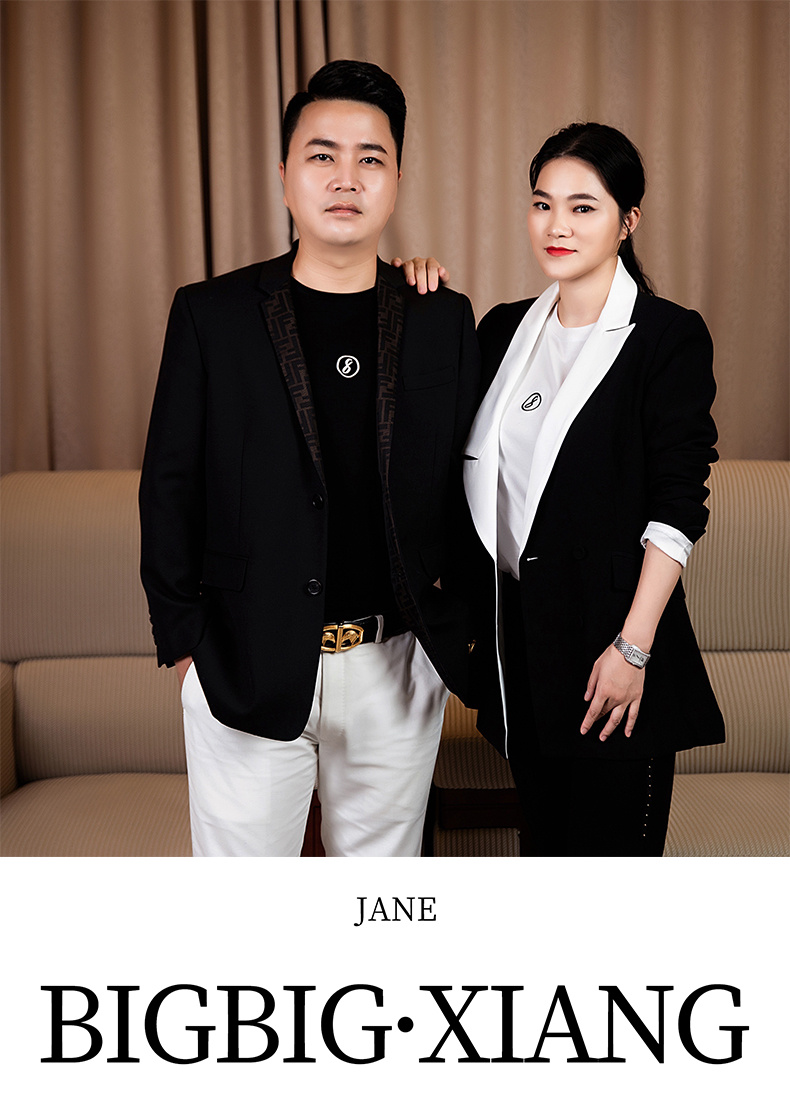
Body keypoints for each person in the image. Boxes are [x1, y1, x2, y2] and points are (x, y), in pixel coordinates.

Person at [139, 60, 481, 858]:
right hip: (245, 658)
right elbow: (169, 484)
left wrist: (452, 636)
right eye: (322, 154)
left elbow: (471, 484)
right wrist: (188, 645)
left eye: (371, 158)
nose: (346, 177)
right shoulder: (211, 315)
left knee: (377, 903)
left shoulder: (440, 319)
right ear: (285, 173)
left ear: (396, 181)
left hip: (396, 665)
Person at [404, 122, 724, 856]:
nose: (557, 225)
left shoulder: (666, 336)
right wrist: (408, 288)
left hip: (613, 650)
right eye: (543, 203)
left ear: (627, 221)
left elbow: (678, 506)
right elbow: (431, 437)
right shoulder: (501, 330)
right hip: (518, 650)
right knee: (545, 861)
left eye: (584, 207)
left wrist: (632, 649)